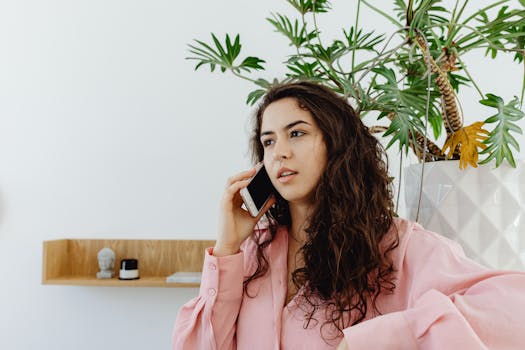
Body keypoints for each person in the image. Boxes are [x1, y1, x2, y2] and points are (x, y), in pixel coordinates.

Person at [172, 81, 525, 349]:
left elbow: (514, 310)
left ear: (336, 143)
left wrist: (377, 338)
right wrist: (228, 247)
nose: (279, 152)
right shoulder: (252, 253)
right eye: (268, 141)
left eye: (296, 133)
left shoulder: (398, 246)